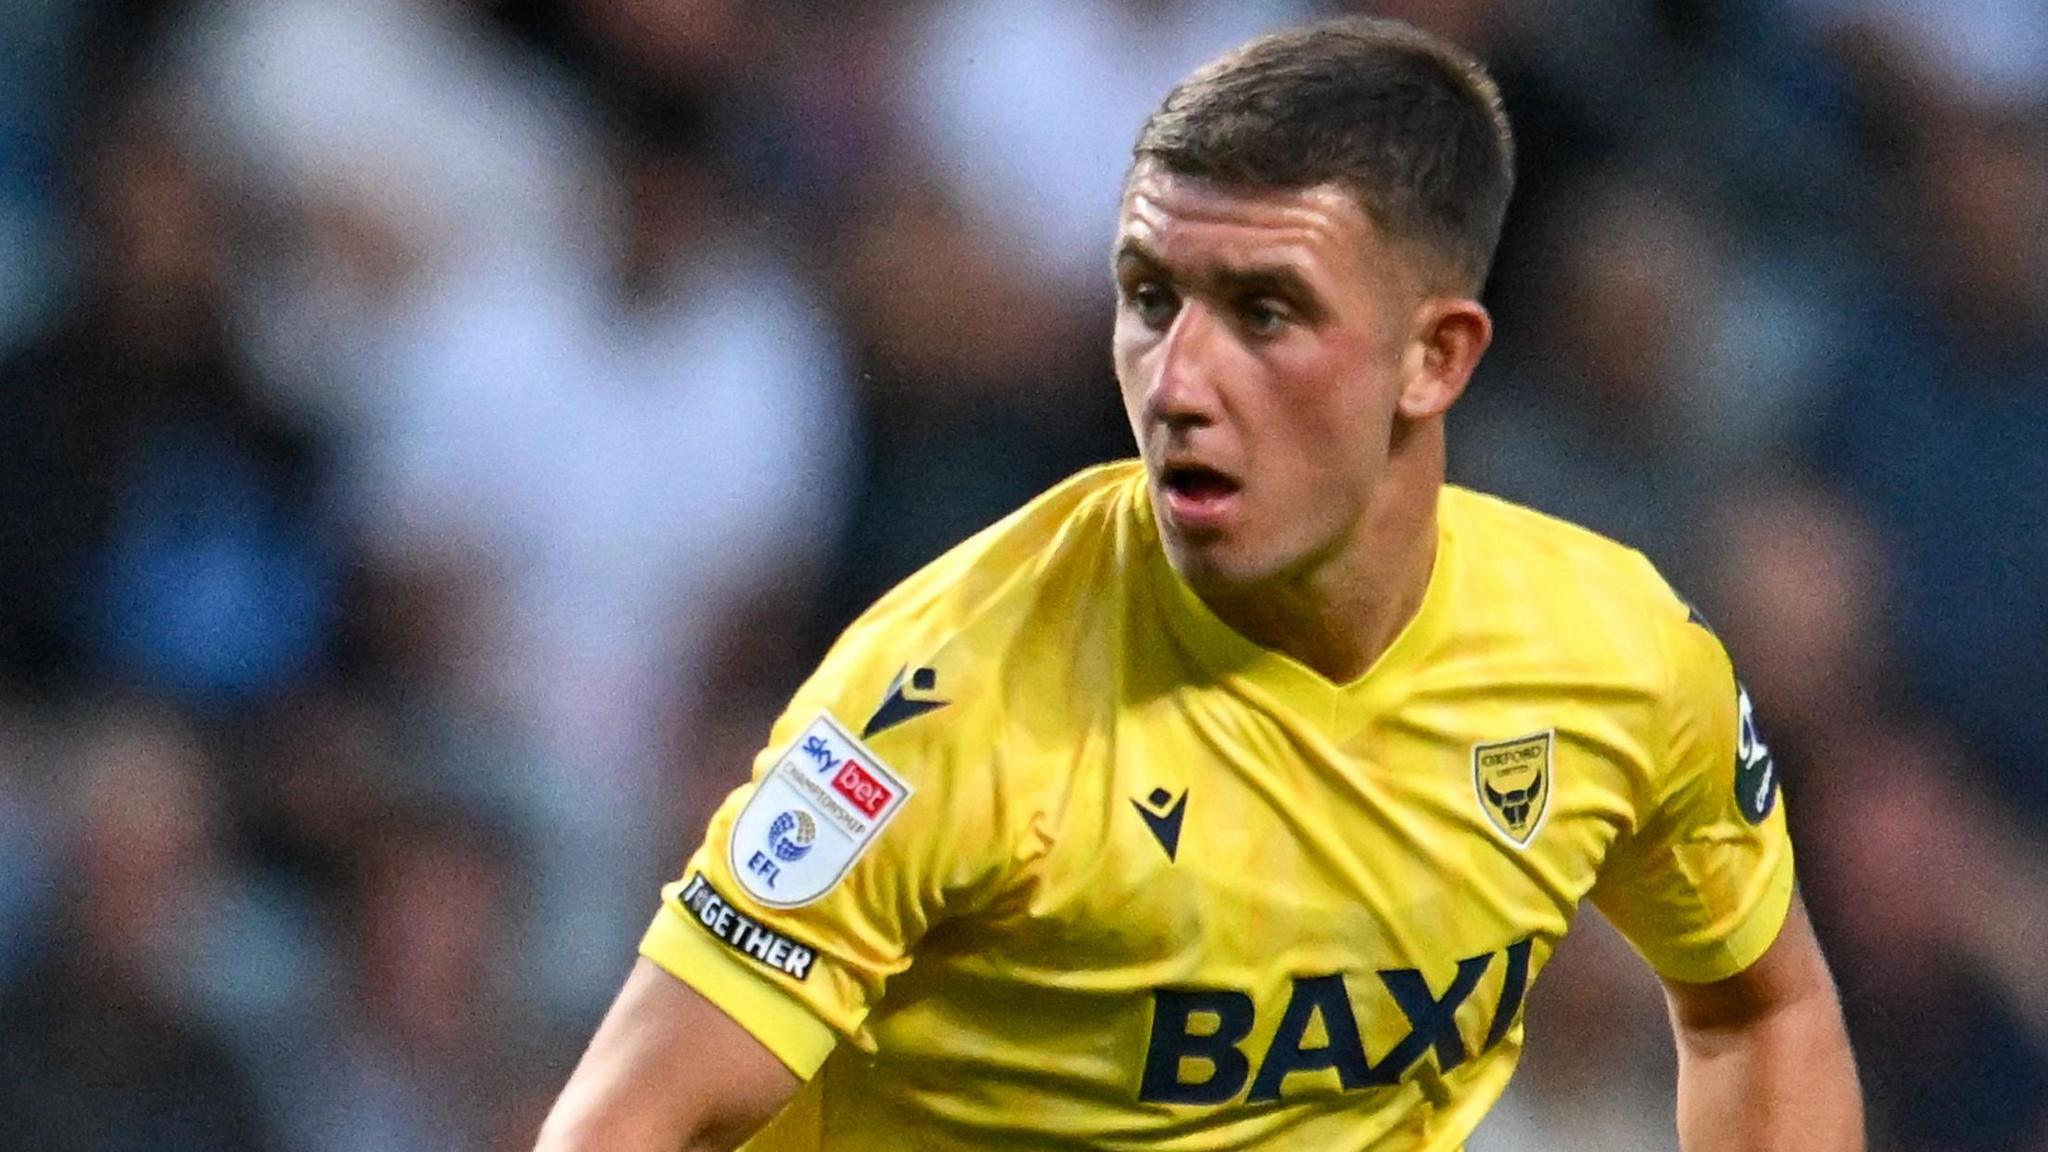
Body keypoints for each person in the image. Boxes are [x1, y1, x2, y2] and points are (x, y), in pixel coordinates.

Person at [535, 17, 1863, 1151]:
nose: (1176, 383)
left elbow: (1763, 1008)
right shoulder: (950, 699)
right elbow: (620, 1125)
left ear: (1435, 359)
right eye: (1149, 297)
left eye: (1266, 312)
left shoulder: (1616, 656)